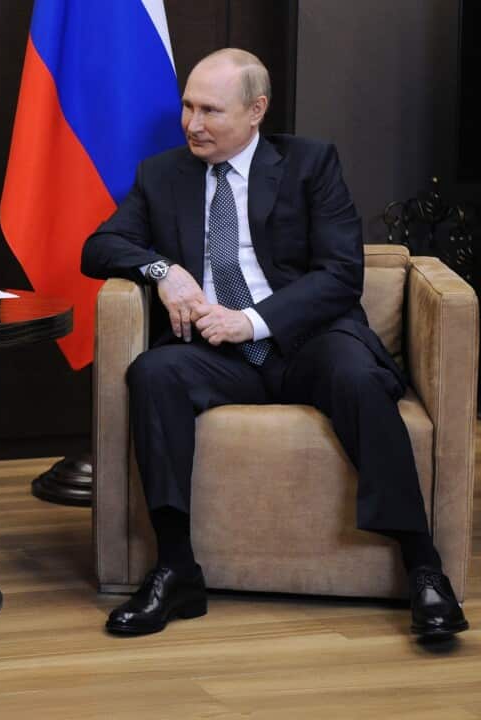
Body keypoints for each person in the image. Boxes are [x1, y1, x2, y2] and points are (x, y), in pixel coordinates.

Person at [81, 48, 468, 640]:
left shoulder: (311, 164)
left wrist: (254, 321)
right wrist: (166, 273)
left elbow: (341, 274)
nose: (192, 124)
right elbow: (99, 248)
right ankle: (176, 569)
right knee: (153, 374)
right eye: (187, 106)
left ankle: (423, 565)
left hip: (307, 341)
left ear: (256, 110)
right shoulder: (163, 174)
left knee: (357, 377)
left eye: (210, 110)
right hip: (215, 354)